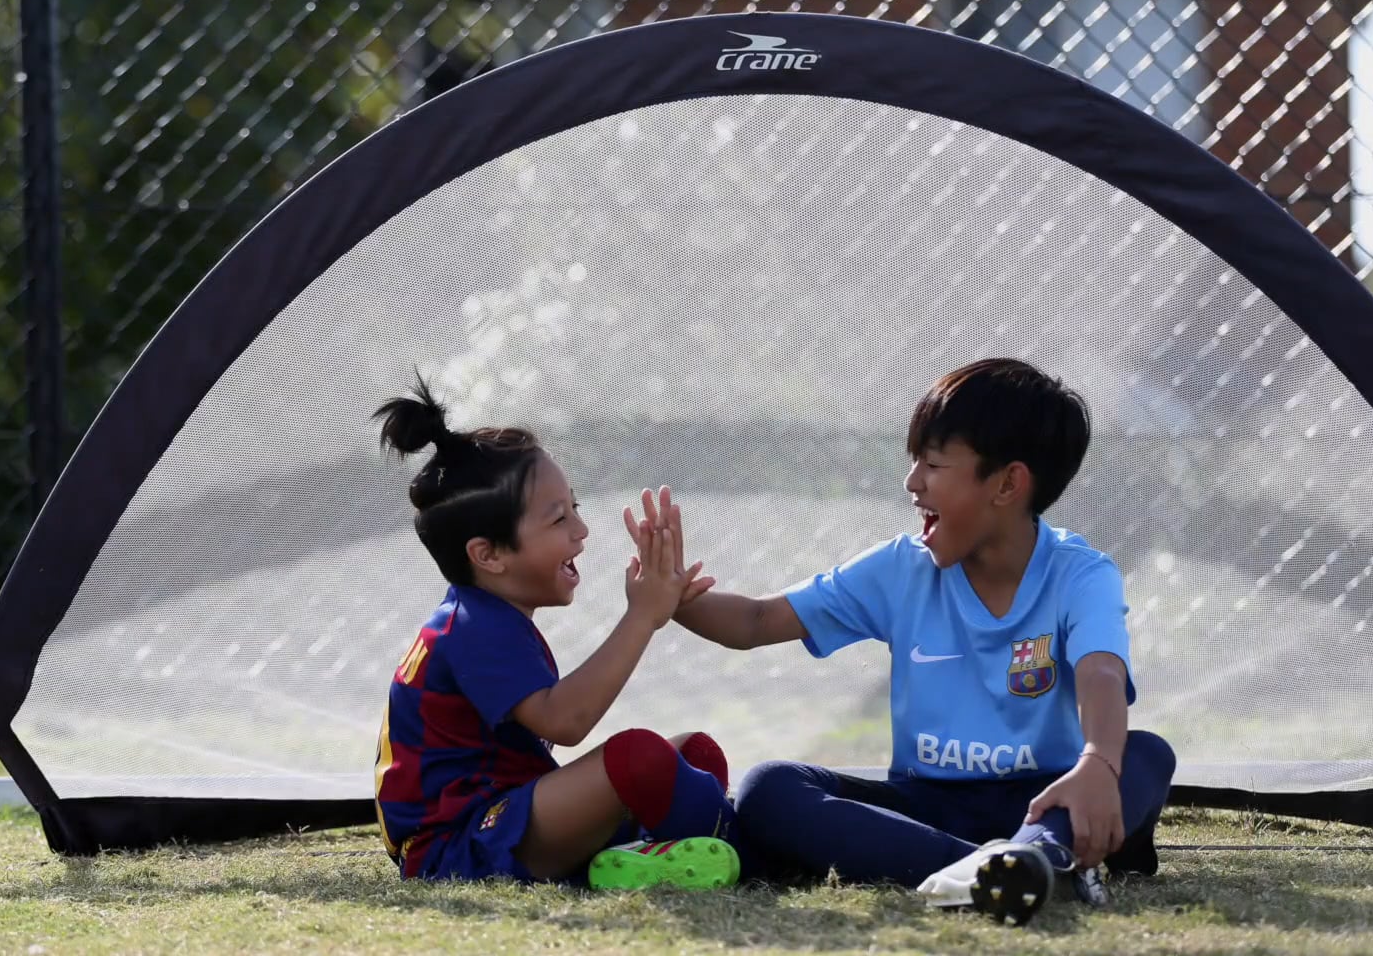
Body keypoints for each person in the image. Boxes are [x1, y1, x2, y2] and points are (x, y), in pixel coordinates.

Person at [656, 358, 1176, 924]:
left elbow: (1101, 673)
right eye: (914, 461)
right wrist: (673, 599)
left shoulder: (1081, 574)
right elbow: (758, 621)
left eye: (932, 464)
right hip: (926, 808)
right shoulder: (901, 569)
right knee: (768, 788)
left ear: (1007, 483)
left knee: (1145, 752)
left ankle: (1035, 851)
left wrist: (1098, 761)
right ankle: (1006, 870)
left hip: (1048, 801)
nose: (911, 482)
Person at [372, 376, 741, 889]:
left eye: (576, 508)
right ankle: (747, 844)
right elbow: (565, 721)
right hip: (458, 848)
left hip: (507, 815)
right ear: (490, 555)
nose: (581, 531)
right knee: (637, 757)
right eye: (558, 518)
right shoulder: (473, 627)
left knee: (691, 752)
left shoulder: (483, 615)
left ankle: (648, 858)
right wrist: (643, 616)